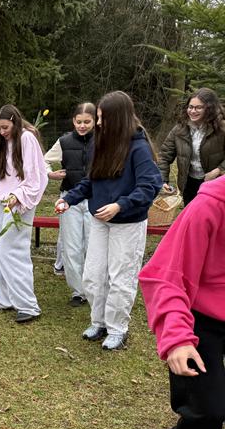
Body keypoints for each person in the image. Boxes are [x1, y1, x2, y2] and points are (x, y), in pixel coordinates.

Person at [139, 176, 225, 429]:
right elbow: (166, 275)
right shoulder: (209, 206)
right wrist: (176, 337)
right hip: (203, 315)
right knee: (208, 407)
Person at [56, 91, 162, 349]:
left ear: (118, 118)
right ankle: (99, 322)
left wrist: (120, 205)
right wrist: (69, 199)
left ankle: (117, 329)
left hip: (128, 224)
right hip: (100, 221)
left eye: (102, 118)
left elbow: (150, 186)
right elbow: (91, 180)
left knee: (120, 277)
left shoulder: (139, 148)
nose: (99, 123)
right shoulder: (100, 143)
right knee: (93, 275)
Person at [0, 105, 47, 323]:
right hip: (4, 201)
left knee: (12, 251)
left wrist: (18, 196)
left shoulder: (27, 139)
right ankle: (5, 299)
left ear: (15, 122)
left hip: (21, 203)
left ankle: (28, 305)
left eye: (5, 128)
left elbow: (35, 176)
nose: (1, 132)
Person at [43, 103, 96, 307]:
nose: (82, 126)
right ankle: (78, 291)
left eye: (87, 122)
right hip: (69, 198)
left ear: (94, 121)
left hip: (95, 198)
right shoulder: (64, 141)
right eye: (79, 121)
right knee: (71, 246)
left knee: (92, 245)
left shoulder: (103, 140)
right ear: (73, 121)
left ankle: (94, 288)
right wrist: (50, 173)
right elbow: (44, 161)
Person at [158, 87, 225, 206]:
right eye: (190, 107)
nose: (193, 111)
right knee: (192, 215)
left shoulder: (221, 128)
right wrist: (163, 180)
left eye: (198, 107)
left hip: (215, 185)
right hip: (188, 185)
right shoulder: (180, 129)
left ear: (209, 109)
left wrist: (218, 171)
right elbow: (164, 156)